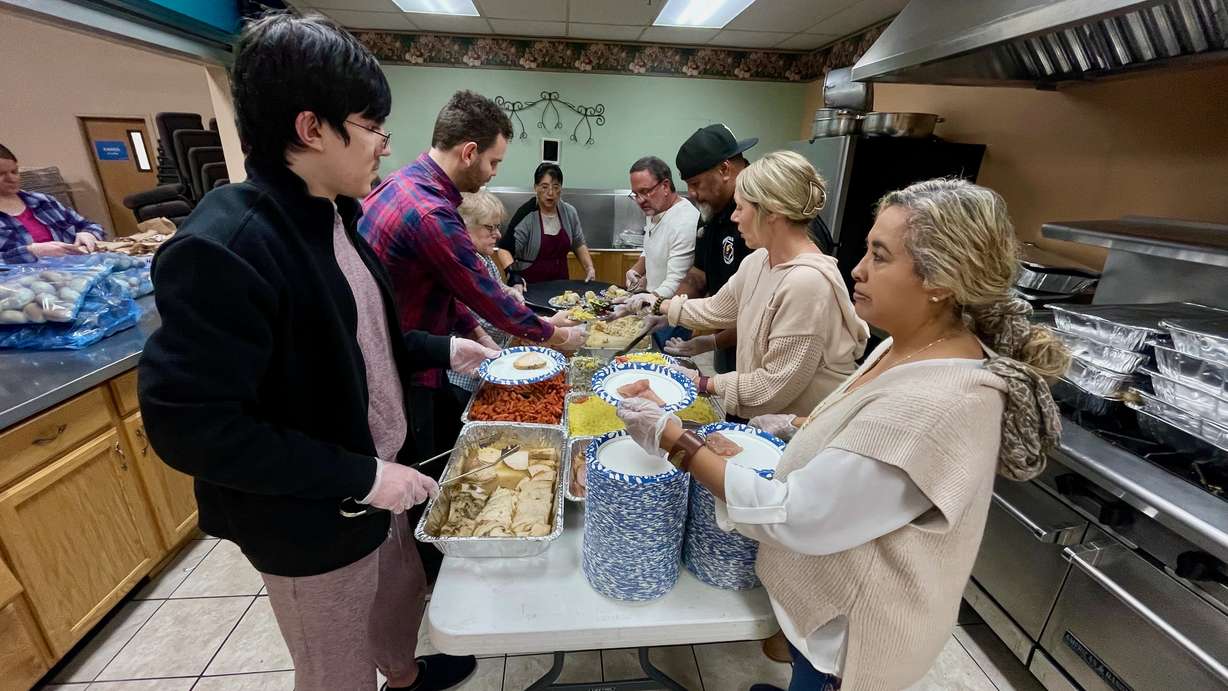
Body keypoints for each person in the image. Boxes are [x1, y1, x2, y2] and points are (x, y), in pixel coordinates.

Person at [137, 14, 492, 691]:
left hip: (378, 480)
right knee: (335, 667)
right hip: (311, 513)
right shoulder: (228, 246)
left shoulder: (337, 213)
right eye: (373, 127)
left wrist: (445, 349)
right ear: (311, 128)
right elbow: (192, 426)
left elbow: (359, 341)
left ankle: (407, 674)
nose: (384, 147)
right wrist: (360, 476)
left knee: (398, 599)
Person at [616, 177, 1068, 691]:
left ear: (941, 280)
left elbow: (795, 515)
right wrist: (801, 424)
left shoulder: (940, 405)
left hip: (848, 634)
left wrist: (675, 439)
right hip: (820, 596)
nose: (858, 267)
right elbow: (861, 426)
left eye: (879, 255)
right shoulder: (907, 344)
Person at [363, 91, 585, 458]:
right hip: (404, 368)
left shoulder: (402, 182)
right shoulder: (431, 213)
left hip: (402, 354)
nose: (494, 172)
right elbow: (485, 293)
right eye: (494, 162)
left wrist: (479, 332)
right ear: (468, 153)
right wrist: (556, 334)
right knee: (417, 470)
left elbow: (446, 288)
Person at [616, 151, 867, 421]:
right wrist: (656, 304)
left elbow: (773, 385)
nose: (734, 218)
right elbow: (717, 309)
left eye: (740, 207)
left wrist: (704, 383)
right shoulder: (759, 259)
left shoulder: (807, 282)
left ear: (770, 212)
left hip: (795, 427)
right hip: (762, 414)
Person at [666, 124, 757, 372]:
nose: (692, 194)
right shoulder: (709, 211)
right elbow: (699, 274)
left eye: (695, 183)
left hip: (759, 352)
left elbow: (757, 313)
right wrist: (667, 310)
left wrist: (712, 341)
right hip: (728, 343)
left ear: (724, 169)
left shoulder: (759, 212)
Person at [446, 190, 522, 396]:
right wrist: (543, 327)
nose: (498, 235)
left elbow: (495, 289)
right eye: (490, 227)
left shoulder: (484, 258)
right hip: (463, 379)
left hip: (487, 364)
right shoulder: (464, 263)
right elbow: (487, 320)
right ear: (464, 227)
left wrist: (509, 291)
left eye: (498, 227)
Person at [623, 155, 699, 350]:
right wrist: (636, 270)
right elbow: (649, 247)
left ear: (665, 186)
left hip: (673, 314)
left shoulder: (684, 221)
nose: (640, 200)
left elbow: (676, 282)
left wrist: (641, 300)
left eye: (645, 192)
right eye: (635, 194)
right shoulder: (655, 209)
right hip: (653, 303)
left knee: (664, 364)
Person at [0, 144, 104, 263]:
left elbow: (91, 226)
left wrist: (89, 234)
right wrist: (31, 252)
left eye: (14, 171)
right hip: (21, 280)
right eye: (1, 174)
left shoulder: (44, 201)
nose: (12, 179)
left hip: (77, 273)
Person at [501, 162, 595, 285]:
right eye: (544, 187)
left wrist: (589, 268)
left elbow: (578, 243)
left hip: (560, 284)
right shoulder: (526, 214)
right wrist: (512, 275)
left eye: (555, 187)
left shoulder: (569, 212)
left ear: (561, 188)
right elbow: (504, 249)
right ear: (535, 187)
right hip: (529, 285)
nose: (550, 193)